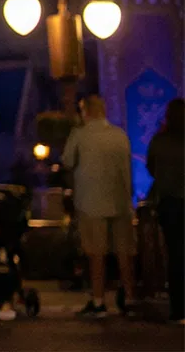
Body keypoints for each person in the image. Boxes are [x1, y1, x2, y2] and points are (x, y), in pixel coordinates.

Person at [64, 93, 135, 318]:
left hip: (90, 202)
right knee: (124, 252)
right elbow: (127, 169)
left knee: (96, 254)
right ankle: (129, 298)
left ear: (85, 112)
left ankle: (98, 301)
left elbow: (67, 161)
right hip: (120, 201)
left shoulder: (81, 135)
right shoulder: (119, 135)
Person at [145, 98, 184, 325]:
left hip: (169, 202)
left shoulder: (159, 141)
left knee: (176, 254)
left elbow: (151, 166)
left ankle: (179, 309)